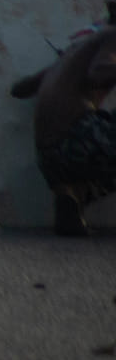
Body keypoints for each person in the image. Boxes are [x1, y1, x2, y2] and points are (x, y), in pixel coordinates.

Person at [32, 22, 116, 236]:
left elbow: (21, 88)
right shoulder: (112, 35)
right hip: (78, 141)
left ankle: (71, 195)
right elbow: (98, 73)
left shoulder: (78, 48)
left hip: (49, 159)